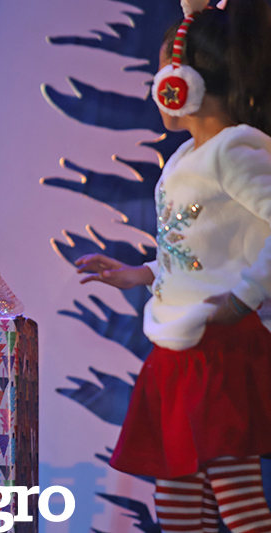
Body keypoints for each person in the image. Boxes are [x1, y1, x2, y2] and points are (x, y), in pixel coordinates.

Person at [76, 0, 271, 531]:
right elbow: (197, 248)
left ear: (182, 84)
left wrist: (244, 297)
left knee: (235, 495)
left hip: (218, 348)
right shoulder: (188, 156)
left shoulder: (235, 150)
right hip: (179, 346)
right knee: (178, 495)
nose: (155, 87)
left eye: (159, 73)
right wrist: (141, 273)